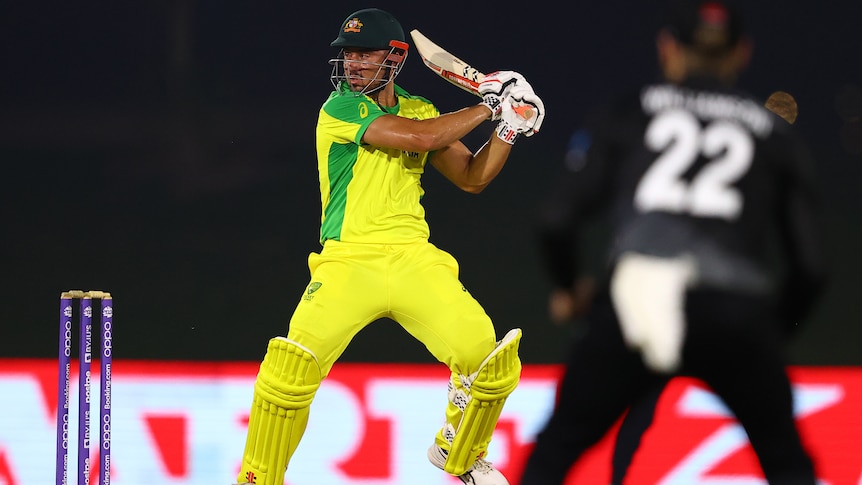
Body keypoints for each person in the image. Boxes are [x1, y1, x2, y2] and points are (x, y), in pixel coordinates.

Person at [233, 8, 545, 485]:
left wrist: (507, 129)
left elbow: (471, 177)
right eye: (347, 54)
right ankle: (257, 478)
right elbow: (419, 139)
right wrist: (490, 105)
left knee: (487, 357)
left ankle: (458, 452)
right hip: (347, 262)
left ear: (395, 57)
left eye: (364, 53)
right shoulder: (338, 108)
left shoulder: (420, 108)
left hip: (412, 258)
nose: (353, 64)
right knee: (288, 370)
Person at [521, 0, 827, 483]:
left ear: (668, 49)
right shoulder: (774, 134)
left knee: (555, 451)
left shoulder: (630, 111)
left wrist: (570, 288)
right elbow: (811, 267)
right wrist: (767, 335)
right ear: (742, 53)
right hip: (736, 307)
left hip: (639, 299)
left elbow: (556, 219)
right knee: (788, 464)